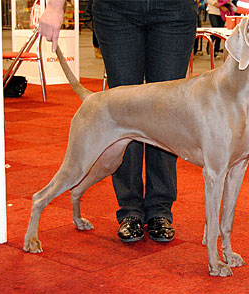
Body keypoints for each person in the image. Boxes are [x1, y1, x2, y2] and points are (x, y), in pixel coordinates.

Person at [38, 0, 197, 243]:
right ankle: (130, 210)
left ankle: (160, 210)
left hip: (174, 9)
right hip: (116, 9)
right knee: (121, 113)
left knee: (167, 113)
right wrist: (55, 6)